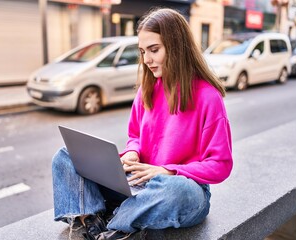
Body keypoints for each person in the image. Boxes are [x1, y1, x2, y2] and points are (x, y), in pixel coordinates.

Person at [52, 7, 233, 240]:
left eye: (154, 50)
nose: (146, 60)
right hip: (136, 183)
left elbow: (221, 165)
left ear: (177, 46)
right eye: (142, 51)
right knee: (66, 156)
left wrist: (168, 171)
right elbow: (135, 136)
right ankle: (90, 221)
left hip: (176, 191)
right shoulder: (147, 91)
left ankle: (116, 223)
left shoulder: (208, 97)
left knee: (179, 190)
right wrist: (132, 153)